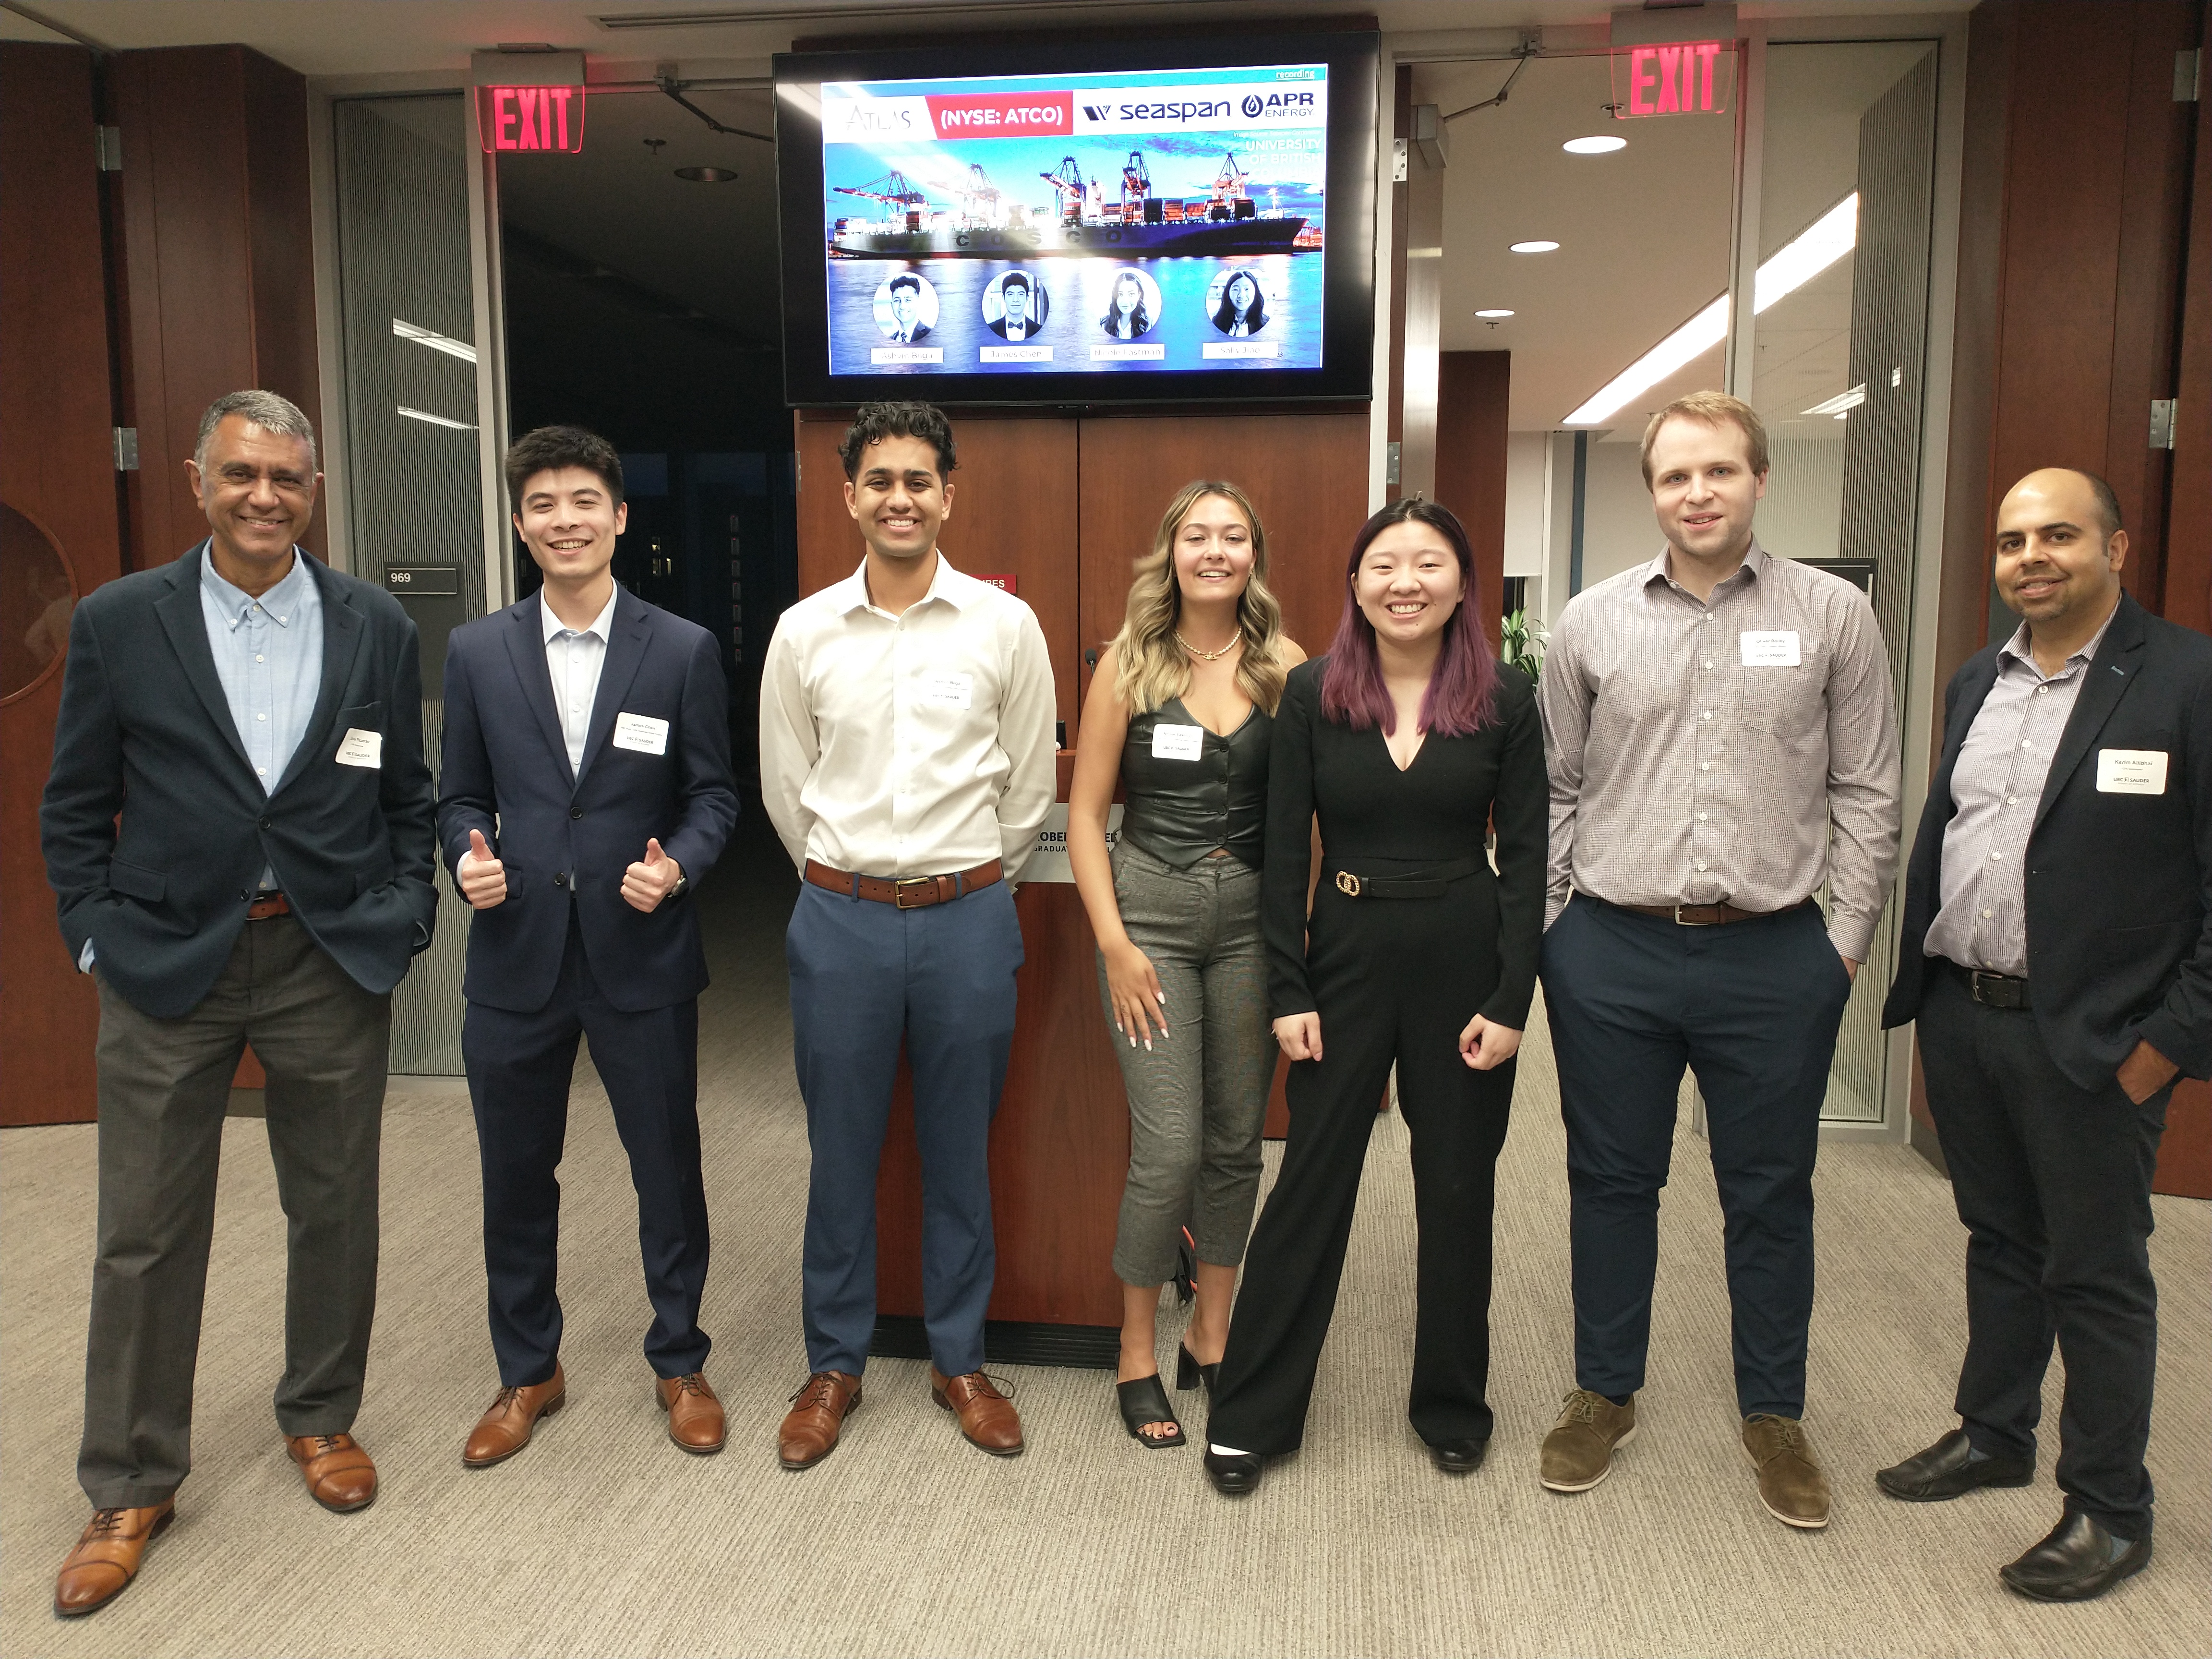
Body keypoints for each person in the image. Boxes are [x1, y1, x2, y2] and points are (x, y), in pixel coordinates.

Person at [40, 389, 438, 1617]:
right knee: (146, 1227)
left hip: (325, 952)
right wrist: (97, 938)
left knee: (335, 1206)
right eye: (241, 474)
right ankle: (132, 1476)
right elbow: (74, 805)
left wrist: (407, 909)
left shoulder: (373, 622)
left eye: (288, 478)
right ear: (196, 479)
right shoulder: (119, 620)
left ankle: (320, 1416)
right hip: (170, 961)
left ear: (315, 490)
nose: (265, 496)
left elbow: (406, 797)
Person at [1535, 389, 1901, 1530]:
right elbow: (1552, 786)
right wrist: (1557, 931)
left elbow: (1869, 788)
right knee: (1609, 1181)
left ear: (1756, 479)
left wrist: (1840, 944)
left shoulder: (1834, 614)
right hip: (1612, 950)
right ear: (1651, 491)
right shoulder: (1589, 621)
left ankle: (1774, 1413)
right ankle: (1604, 1391)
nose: (1697, 493)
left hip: (1775, 955)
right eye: (1675, 475)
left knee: (1770, 1193)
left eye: (1719, 472)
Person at [1875, 467, 2212, 1601]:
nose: (2031, 555)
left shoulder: (2186, 680)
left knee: (2097, 1271)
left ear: (2115, 548)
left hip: (2098, 1039)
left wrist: (2161, 1045)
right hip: (1969, 1014)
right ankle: (1992, 1430)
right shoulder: (1982, 678)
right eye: (2014, 537)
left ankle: (2111, 1505)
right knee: (1998, 1239)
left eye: (2059, 534)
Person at [1202, 498, 1545, 1496]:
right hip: (1342, 960)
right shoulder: (1314, 693)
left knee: (1455, 1189)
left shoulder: (1506, 698)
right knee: (1310, 1184)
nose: (1406, 581)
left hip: (1464, 966)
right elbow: (1278, 859)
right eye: (1385, 564)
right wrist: (1288, 987)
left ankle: (1451, 1404)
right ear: (1355, 583)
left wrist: (1514, 998)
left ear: (1461, 581)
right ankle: (1254, 1412)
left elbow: (1527, 862)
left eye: (1428, 562)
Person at [759, 401, 1056, 1468]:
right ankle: (833, 1362)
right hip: (838, 917)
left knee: (958, 1152)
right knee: (840, 1153)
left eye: (919, 480)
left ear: (948, 494)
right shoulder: (803, 633)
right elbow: (788, 791)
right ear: (850, 496)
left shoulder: (1001, 626)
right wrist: (845, 881)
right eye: (879, 479)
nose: (900, 497)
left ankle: (959, 1358)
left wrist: (972, 884)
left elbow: (1029, 786)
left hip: (969, 919)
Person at [436, 426, 740, 1468]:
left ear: (619, 517)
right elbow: (460, 797)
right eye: (543, 505)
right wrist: (464, 855)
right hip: (516, 952)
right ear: (521, 525)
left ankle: (680, 1358)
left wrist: (681, 867)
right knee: (516, 1173)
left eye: (584, 502)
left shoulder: (683, 647)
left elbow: (712, 795)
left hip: (640, 949)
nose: (564, 520)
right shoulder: (477, 651)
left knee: (667, 1166)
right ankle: (529, 1371)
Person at [1067, 480, 1305, 1449]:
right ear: (1170, 551)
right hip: (1151, 925)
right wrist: (1115, 943)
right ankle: (1135, 1348)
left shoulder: (1287, 664)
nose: (1214, 551)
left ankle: (1212, 1332)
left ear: (1254, 554)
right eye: (1197, 536)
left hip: (1250, 926)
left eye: (1233, 536)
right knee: (1167, 1147)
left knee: (1235, 1143)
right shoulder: (1129, 664)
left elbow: (1309, 816)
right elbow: (1085, 815)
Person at [986, 270, 1046, 340]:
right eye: (1010, 294)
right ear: (1004, 298)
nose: (1015, 300)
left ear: (1027, 298)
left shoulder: (1038, 329)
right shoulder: (991, 329)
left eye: (1021, 294)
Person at [1210, 271, 1267, 337]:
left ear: (1256, 293)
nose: (1241, 295)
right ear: (1228, 293)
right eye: (1236, 289)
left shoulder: (1265, 323)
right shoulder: (1217, 323)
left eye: (1247, 289)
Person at [1101, 270, 1151, 339]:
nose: (1126, 301)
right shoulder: (1104, 324)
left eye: (1131, 294)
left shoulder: (1148, 325)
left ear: (1139, 295)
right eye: (1120, 294)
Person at [884, 274, 932, 344]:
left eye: (908, 300)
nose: (902, 307)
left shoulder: (931, 335)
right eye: (897, 301)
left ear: (918, 302)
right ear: (892, 305)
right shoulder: (889, 340)